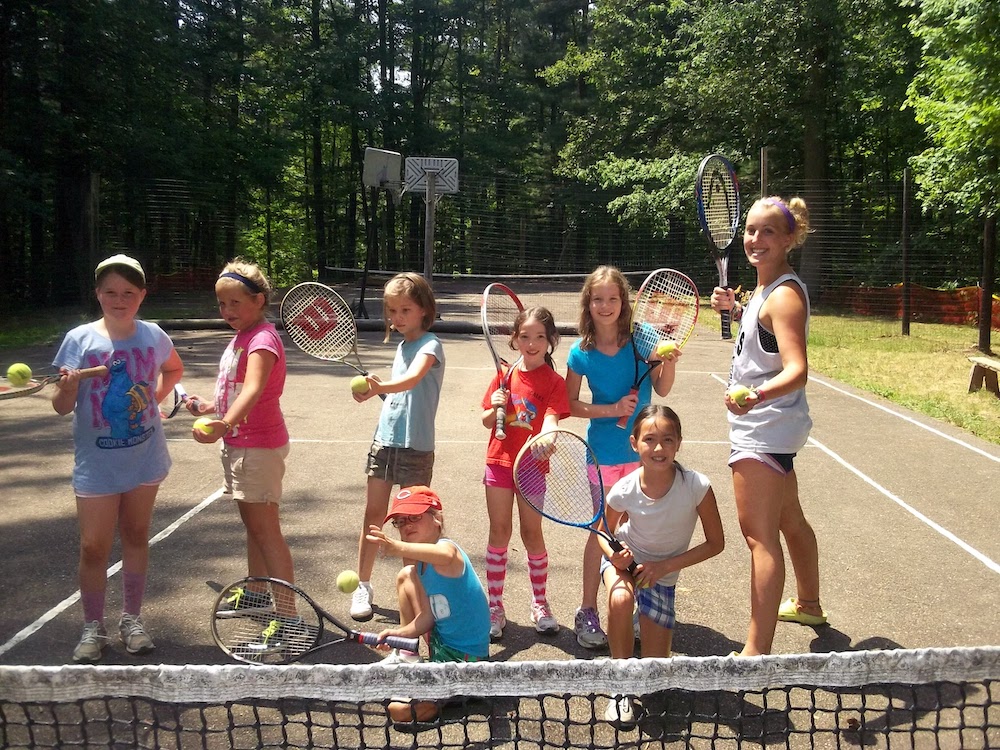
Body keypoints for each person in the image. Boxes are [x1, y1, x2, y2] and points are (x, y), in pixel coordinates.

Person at [51, 254, 184, 662]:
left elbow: (173, 371)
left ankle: (132, 619)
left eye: (128, 292)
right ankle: (94, 626)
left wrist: (152, 404)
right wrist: (70, 387)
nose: (119, 299)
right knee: (94, 546)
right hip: (97, 464)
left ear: (142, 295)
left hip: (145, 458)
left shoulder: (153, 336)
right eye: (110, 292)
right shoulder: (79, 340)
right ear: (98, 294)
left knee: (136, 536)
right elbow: (60, 406)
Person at [710, 195, 825, 657]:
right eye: (750, 231)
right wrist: (736, 312)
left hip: (763, 428)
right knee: (790, 519)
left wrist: (755, 396)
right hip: (775, 427)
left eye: (768, 232)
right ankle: (810, 603)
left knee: (760, 537)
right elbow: (766, 336)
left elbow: (796, 368)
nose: (756, 240)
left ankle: (756, 653)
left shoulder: (784, 296)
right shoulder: (766, 290)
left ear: (789, 238)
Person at [565, 266, 680, 649]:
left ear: (623, 302)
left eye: (613, 298)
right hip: (602, 453)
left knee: (636, 533)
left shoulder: (643, 339)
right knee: (603, 532)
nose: (605, 305)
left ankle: (629, 606)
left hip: (644, 454)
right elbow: (571, 405)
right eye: (598, 299)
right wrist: (611, 408)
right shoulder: (580, 351)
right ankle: (587, 609)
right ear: (588, 303)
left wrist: (670, 362)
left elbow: (661, 387)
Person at [600, 404, 724, 724]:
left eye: (667, 440)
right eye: (650, 439)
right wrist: (615, 556)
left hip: (662, 576)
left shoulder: (697, 486)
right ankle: (620, 687)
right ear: (634, 444)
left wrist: (663, 568)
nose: (658, 448)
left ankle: (636, 626)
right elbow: (603, 532)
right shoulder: (624, 489)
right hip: (625, 566)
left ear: (679, 443)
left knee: (655, 678)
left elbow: (716, 543)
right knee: (620, 599)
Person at [188, 260, 295, 616]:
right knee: (255, 527)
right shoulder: (243, 337)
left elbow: (254, 388)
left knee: (267, 533)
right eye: (222, 303)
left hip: (258, 447)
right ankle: (257, 590)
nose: (227, 310)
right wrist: (210, 407)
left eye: (235, 302)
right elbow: (236, 389)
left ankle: (288, 617)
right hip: (243, 443)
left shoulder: (262, 339)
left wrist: (224, 423)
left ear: (259, 300)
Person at [351, 272, 443, 621]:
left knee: (413, 521)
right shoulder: (402, 346)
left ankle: (416, 587)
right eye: (391, 311)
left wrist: (382, 386)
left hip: (417, 447)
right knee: (373, 515)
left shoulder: (431, 345)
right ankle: (363, 585)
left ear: (423, 309)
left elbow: (414, 379)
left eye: (405, 309)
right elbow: (398, 393)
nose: (397, 317)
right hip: (385, 442)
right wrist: (378, 391)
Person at [481, 306, 569, 639]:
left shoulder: (554, 382)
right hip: (499, 463)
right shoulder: (502, 375)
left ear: (550, 341)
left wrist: (548, 435)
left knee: (532, 534)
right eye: (525, 336)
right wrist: (496, 405)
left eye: (540, 337)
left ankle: (540, 604)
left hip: (532, 467)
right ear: (515, 340)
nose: (532, 343)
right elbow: (486, 421)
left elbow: (551, 418)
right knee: (499, 530)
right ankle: (495, 607)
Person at [367, 485, 490, 724]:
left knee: (399, 711)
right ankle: (406, 654)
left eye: (415, 517)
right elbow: (426, 617)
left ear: (437, 518)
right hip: (440, 645)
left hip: (467, 662)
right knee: (406, 574)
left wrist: (397, 547)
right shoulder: (421, 566)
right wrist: (397, 634)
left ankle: (467, 691)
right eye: (400, 522)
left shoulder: (447, 549)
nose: (406, 525)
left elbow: (445, 556)